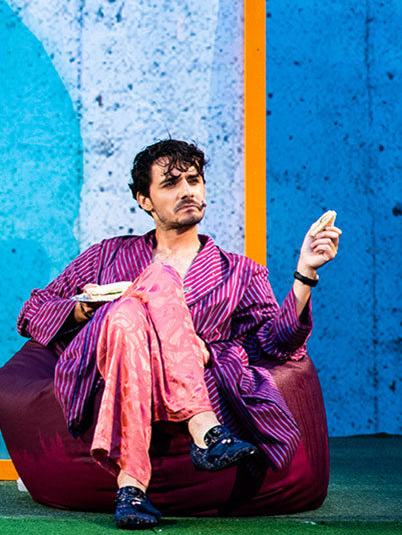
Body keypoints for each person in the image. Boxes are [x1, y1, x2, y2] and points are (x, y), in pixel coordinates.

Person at [17, 139, 340, 529]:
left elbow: (276, 344)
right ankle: (205, 427)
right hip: (104, 370)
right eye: (171, 183)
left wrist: (305, 274)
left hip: (160, 373)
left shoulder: (239, 273)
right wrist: (84, 307)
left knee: (130, 313)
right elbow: (32, 312)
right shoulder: (106, 256)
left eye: (194, 180)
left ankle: (131, 486)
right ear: (144, 200)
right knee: (152, 283)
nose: (187, 190)